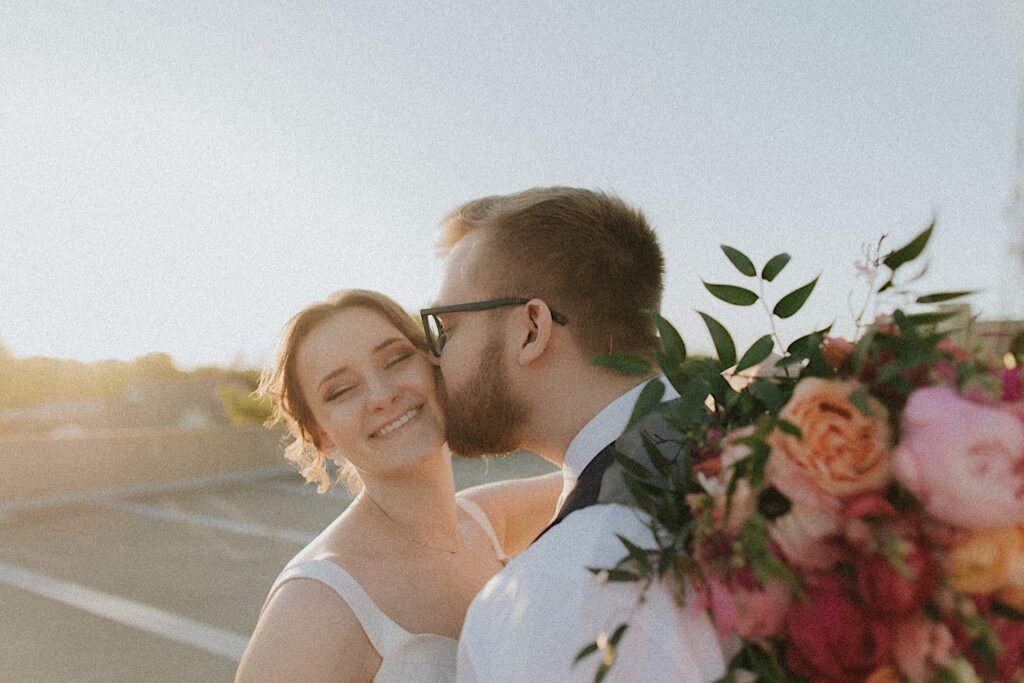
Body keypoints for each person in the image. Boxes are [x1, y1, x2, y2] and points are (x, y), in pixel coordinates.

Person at [423, 187, 728, 681]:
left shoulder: (561, 587)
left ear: (531, 329)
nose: (434, 357)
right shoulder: (765, 458)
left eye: (447, 326)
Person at [235, 289, 561, 682]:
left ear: (435, 364)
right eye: (341, 390)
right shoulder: (314, 604)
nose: (382, 395)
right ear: (322, 435)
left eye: (397, 358)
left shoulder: (486, 523)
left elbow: (616, 463)